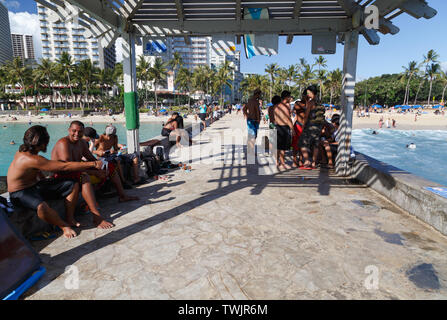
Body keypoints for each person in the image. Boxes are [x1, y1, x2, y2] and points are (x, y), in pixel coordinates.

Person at [7, 125, 103, 238]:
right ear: (42, 142)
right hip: (20, 193)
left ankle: (70, 219)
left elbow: (31, 170)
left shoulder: (29, 151)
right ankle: (64, 226)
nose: (47, 144)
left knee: (72, 185)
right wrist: (92, 164)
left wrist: (42, 177)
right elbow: (64, 166)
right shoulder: (30, 158)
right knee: (42, 207)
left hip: (35, 186)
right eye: (47, 141)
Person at [51, 121, 138, 230]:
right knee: (85, 177)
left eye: (80, 131)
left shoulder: (81, 143)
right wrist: (93, 169)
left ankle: (122, 196)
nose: (76, 134)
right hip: (62, 176)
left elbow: (90, 158)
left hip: (76, 172)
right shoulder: (63, 143)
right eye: (74, 131)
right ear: (69, 130)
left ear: (83, 132)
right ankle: (96, 217)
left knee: (110, 167)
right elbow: (68, 166)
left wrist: (101, 168)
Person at [299, 85, 325, 169]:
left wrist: (303, 126)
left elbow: (306, 116)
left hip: (310, 126)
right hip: (318, 127)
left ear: (311, 92)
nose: (307, 94)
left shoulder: (311, 103)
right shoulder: (320, 102)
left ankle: (307, 161)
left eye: (308, 92)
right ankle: (313, 163)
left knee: (302, 143)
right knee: (315, 145)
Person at [273, 90, 295, 170]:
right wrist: (293, 129)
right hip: (284, 127)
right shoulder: (286, 107)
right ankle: (282, 163)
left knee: (278, 146)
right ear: (286, 97)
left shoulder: (276, 106)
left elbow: (274, 118)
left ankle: (276, 161)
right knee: (283, 147)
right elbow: (288, 119)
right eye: (289, 97)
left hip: (277, 126)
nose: (290, 98)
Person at [243, 89, 262, 163]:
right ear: (257, 94)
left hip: (251, 120)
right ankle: (251, 151)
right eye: (259, 94)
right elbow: (257, 111)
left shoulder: (249, 101)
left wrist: (247, 115)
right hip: (254, 120)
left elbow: (244, 109)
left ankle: (250, 150)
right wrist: (259, 119)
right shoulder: (255, 101)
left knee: (252, 136)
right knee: (253, 136)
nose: (259, 96)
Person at [292, 91, 307, 167]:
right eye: (306, 96)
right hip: (298, 125)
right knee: (295, 145)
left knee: (302, 145)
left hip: (305, 126)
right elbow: (296, 108)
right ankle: (294, 161)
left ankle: (301, 160)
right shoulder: (298, 103)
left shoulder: (309, 104)